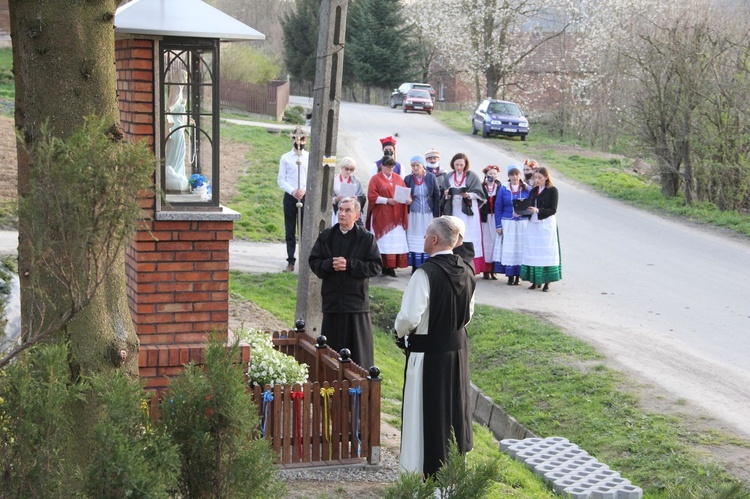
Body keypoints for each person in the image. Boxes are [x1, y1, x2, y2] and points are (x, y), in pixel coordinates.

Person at [395, 216, 476, 478]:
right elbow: (469, 314)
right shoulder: (466, 270)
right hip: (457, 352)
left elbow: (409, 317)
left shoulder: (425, 273)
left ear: (434, 239)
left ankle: (418, 477)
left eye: (426, 233)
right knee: (454, 410)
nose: (423, 238)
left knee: (424, 414)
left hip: (428, 354)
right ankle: (452, 476)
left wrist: (400, 333)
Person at [309, 198, 382, 368]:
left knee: (358, 357)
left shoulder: (366, 239)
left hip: (355, 305)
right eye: (340, 209)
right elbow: (314, 261)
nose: (342, 213)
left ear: (356, 215)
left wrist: (349, 265)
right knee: (331, 355)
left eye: (348, 210)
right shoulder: (326, 236)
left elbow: (376, 267)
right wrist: (329, 264)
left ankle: (359, 390)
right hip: (332, 302)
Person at [440, 153, 486, 272]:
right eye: (456, 164)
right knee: (456, 234)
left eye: (461, 165)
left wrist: (469, 195)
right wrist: (446, 194)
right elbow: (442, 192)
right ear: (453, 164)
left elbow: (481, 194)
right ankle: (455, 262)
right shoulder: (449, 176)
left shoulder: (472, 176)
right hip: (454, 209)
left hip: (468, 211)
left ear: (465, 165)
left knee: (468, 236)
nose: (459, 167)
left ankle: (471, 265)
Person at [366, 156, 411, 277]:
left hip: (396, 215)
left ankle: (391, 267)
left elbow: (405, 192)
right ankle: (381, 265)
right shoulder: (375, 179)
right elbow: (371, 196)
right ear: (382, 166)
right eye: (388, 166)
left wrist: (408, 199)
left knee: (394, 241)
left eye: (392, 166)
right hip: (382, 214)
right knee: (383, 241)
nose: (390, 168)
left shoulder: (398, 178)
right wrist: (386, 200)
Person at [521, 167, 561, 292]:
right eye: (535, 178)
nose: (537, 180)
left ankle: (547, 282)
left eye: (540, 178)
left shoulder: (552, 190)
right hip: (534, 223)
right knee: (534, 250)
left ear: (546, 177)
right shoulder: (533, 191)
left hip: (546, 223)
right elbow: (529, 205)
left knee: (546, 251)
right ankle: (535, 280)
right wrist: (521, 211)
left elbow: (553, 209)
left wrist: (538, 211)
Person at [277, 126, 309, 272]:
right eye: (296, 138)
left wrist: (304, 190)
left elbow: (312, 178)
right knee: (290, 230)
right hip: (291, 197)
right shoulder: (285, 158)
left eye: (302, 139)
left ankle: (305, 261)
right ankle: (291, 260)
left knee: (304, 230)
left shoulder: (308, 158)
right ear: (292, 139)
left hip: (305, 196)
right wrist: (293, 190)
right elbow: (281, 180)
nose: (299, 142)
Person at [403, 155, 440, 273]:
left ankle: (427, 264)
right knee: (414, 237)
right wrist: (407, 199)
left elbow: (436, 195)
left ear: (422, 165)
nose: (415, 168)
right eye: (413, 166)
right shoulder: (408, 179)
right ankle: (414, 265)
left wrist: (436, 214)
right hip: (414, 213)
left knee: (427, 236)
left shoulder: (431, 177)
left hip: (428, 213)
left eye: (417, 165)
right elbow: (404, 194)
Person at [494, 165, 530, 285]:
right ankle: (510, 275)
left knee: (519, 248)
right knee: (509, 248)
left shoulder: (526, 188)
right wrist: (498, 225)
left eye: (516, 174)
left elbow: (531, 206)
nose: (514, 177)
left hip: (522, 223)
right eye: (512, 174)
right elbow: (498, 207)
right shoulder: (504, 189)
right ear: (508, 176)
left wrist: (524, 214)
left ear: (520, 175)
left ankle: (518, 275)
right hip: (508, 221)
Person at [164, 69, 189, 192]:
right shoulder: (176, 93)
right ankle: (173, 173)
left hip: (180, 126)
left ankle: (177, 173)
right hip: (176, 127)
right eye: (184, 78)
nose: (186, 81)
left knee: (180, 152)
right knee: (176, 151)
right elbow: (169, 108)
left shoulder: (178, 93)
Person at [479, 165, 502, 280]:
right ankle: (485, 270)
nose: (492, 176)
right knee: (486, 241)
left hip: (496, 218)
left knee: (495, 241)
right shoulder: (482, 187)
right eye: (490, 174)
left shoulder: (500, 187)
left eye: (494, 174)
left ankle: (494, 270)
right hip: (485, 217)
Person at [332, 157, 366, 227]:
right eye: (347, 169)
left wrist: (356, 199)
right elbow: (326, 197)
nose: (349, 172)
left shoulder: (356, 181)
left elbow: (363, 198)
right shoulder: (334, 180)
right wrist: (336, 199)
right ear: (342, 167)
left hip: (351, 211)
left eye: (351, 170)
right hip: (337, 210)